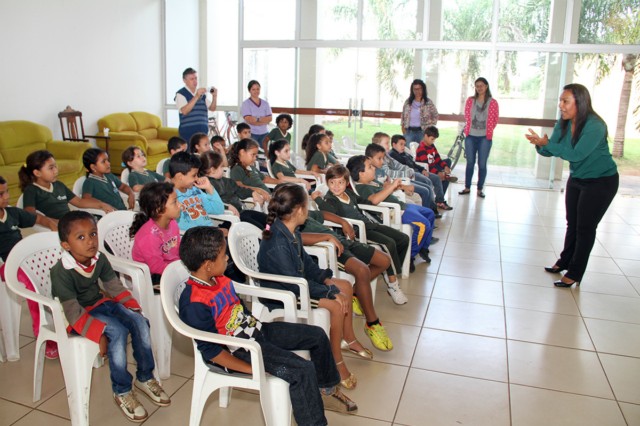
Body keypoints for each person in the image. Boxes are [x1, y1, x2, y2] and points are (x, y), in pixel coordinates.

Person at [178, 227, 357, 423]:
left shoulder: (218, 278)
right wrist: (255, 369)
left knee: (317, 335)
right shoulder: (194, 302)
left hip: (257, 331)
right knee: (301, 370)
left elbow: (239, 310)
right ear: (207, 265)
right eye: (223, 256)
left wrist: (256, 328)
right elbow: (212, 352)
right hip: (242, 350)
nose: (227, 258)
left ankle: (326, 391)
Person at [51, 211, 170, 422]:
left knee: (140, 322)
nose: (90, 241)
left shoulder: (99, 258)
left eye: (93, 234)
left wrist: (133, 307)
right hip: (79, 314)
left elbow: (112, 286)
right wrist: (98, 334)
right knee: (118, 331)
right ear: (66, 245)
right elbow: (70, 310)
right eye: (81, 237)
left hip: (100, 303)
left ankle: (144, 377)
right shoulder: (61, 271)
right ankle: (122, 390)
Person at [257, 184, 363, 390]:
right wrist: (329, 293)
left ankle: (344, 338)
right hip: (283, 293)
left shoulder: (290, 231)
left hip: (297, 284)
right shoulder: (278, 242)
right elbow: (294, 284)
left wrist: (326, 281)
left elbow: (307, 265)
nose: (308, 209)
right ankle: (335, 362)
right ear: (298, 210)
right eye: (307, 205)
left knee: (345, 286)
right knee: (335, 303)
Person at [526, 83, 618, 288]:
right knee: (573, 223)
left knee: (585, 227)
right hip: (578, 178)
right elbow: (552, 149)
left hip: (601, 181)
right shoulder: (565, 122)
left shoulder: (595, 125)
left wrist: (547, 144)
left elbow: (576, 154)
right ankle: (565, 261)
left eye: (565, 101)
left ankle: (575, 272)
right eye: (560, 101)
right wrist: (540, 145)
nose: (561, 105)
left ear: (580, 102)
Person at [0, 175, 59, 359]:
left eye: (6, 191)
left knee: (58, 271)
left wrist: (51, 224)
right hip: (6, 266)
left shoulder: (12, 213)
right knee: (33, 286)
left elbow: (37, 220)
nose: (6, 197)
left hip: (24, 262)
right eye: (1, 194)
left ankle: (65, 322)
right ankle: (43, 332)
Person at [349, 159, 436, 265]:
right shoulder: (362, 187)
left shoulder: (373, 182)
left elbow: (385, 190)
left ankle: (422, 247)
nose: (374, 168)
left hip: (403, 206)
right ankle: (409, 257)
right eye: (370, 167)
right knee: (423, 224)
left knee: (430, 214)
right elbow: (374, 200)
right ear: (361, 174)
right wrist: (392, 187)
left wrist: (400, 186)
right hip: (396, 212)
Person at [19, 150, 117, 220]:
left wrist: (101, 204)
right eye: (51, 168)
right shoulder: (31, 190)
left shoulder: (58, 185)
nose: (56, 170)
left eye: (55, 166)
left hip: (69, 221)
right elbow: (29, 212)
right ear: (37, 173)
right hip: (55, 227)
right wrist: (49, 222)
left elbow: (79, 202)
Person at [130, 182, 181, 291]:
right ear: (159, 209)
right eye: (174, 202)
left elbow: (177, 251)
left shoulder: (172, 223)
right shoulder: (149, 236)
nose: (180, 205)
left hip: (170, 268)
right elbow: (156, 267)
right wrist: (180, 271)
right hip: (152, 276)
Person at [365, 142, 439, 215]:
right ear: (369, 159)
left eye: (383, 158)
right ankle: (423, 218)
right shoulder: (371, 175)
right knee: (416, 201)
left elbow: (387, 184)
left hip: (395, 193)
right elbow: (381, 189)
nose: (382, 161)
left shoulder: (381, 170)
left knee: (417, 197)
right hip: (389, 203)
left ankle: (424, 216)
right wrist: (403, 187)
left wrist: (404, 187)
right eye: (379, 159)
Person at [199, 151, 268, 228]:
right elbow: (211, 204)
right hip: (229, 218)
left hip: (241, 212)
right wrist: (227, 207)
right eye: (221, 166)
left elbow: (240, 190)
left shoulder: (226, 181)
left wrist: (252, 192)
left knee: (267, 220)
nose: (223, 168)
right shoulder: (205, 186)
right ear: (212, 170)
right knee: (260, 228)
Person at [459, 77, 499, 198]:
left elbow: (495, 119)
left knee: (482, 164)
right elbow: (467, 116)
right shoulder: (470, 101)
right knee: (470, 162)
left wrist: (489, 131)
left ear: (486, 86)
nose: (479, 88)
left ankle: (480, 189)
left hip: (485, 138)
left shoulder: (493, 102)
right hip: (471, 136)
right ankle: (467, 187)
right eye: (477, 86)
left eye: (481, 85)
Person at [168, 152, 224, 231]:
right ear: (180, 177)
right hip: (196, 238)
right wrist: (210, 233)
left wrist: (209, 188)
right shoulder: (171, 197)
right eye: (194, 175)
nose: (197, 178)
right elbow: (181, 227)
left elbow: (219, 210)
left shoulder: (195, 190)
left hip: (209, 233)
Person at [414, 127, 458, 202]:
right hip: (426, 170)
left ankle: (444, 178)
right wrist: (438, 173)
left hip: (433, 166)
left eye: (434, 139)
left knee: (448, 161)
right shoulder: (421, 148)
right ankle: (440, 197)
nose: (433, 141)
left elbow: (437, 158)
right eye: (432, 139)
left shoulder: (432, 146)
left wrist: (445, 166)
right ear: (425, 136)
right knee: (443, 176)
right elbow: (427, 166)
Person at [175, 67, 217, 143]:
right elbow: (184, 111)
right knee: (189, 154)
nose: (195, 81)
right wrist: (196, 96)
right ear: (184, 80)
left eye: (196, 78)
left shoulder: (201, 95)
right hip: (188, 134)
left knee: (202, 155)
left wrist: (214, 96)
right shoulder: (180, 94)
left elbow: (212, 108)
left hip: (202, 133)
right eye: (192, 79)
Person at [400, 79, 438, 143]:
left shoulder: (428, 102)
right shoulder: (408, 102)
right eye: (415, 89)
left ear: (423, 89)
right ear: (412, 90)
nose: (417, 91)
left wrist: (429, 128)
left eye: (419, 89)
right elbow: (403, 116)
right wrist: (404, 130)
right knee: (408, 152)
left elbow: (435, 115)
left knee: (421, 152)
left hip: (423, 132)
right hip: (409, 132)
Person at [240, 80, 272, 146]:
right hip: (251, 134)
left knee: (264, 154)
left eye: (258, 89)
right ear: (249, 90)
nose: (256, 91)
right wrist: (263, 120)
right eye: (253, 89)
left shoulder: (265, 103)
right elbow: (249, 120)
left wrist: (256, 118)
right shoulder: (246, 104)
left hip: (264, 133)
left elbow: (269, 118)